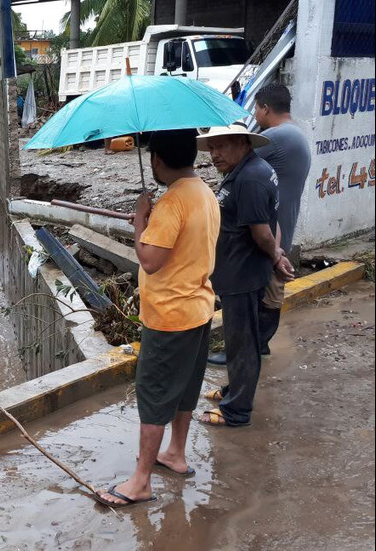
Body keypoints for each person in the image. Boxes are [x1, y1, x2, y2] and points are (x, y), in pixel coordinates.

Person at [94, 129, 220, 508]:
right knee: (183, 388)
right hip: (199, 308)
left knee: (153, 397)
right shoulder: (205, 194)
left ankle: (141, 481)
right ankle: (175, 454)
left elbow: (149, 260)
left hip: (170, 317)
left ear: (157, 160)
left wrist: (139, 220)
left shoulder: (173, 203)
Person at [197, 124, 295, 427]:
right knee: (240, 340)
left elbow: (263, 232)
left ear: (242, 143)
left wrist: (276, 256)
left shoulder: (251, 178)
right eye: (211, 148)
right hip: (239, 270)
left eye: (221, 147)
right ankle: (233, 391)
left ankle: (237, 410)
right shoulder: (250, 169)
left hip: (244, 273)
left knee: (243, 343)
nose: (214, 154)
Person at [208, 84, 311, 364]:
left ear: (265, 108)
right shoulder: (297, 135)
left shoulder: (273, 140)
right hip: (281, 224)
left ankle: (250, 348)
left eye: (256, 108)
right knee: (270, 293)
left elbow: (239, 167)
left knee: (259, 296)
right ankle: (257, 345)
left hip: (267, 230)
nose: (255, 114)